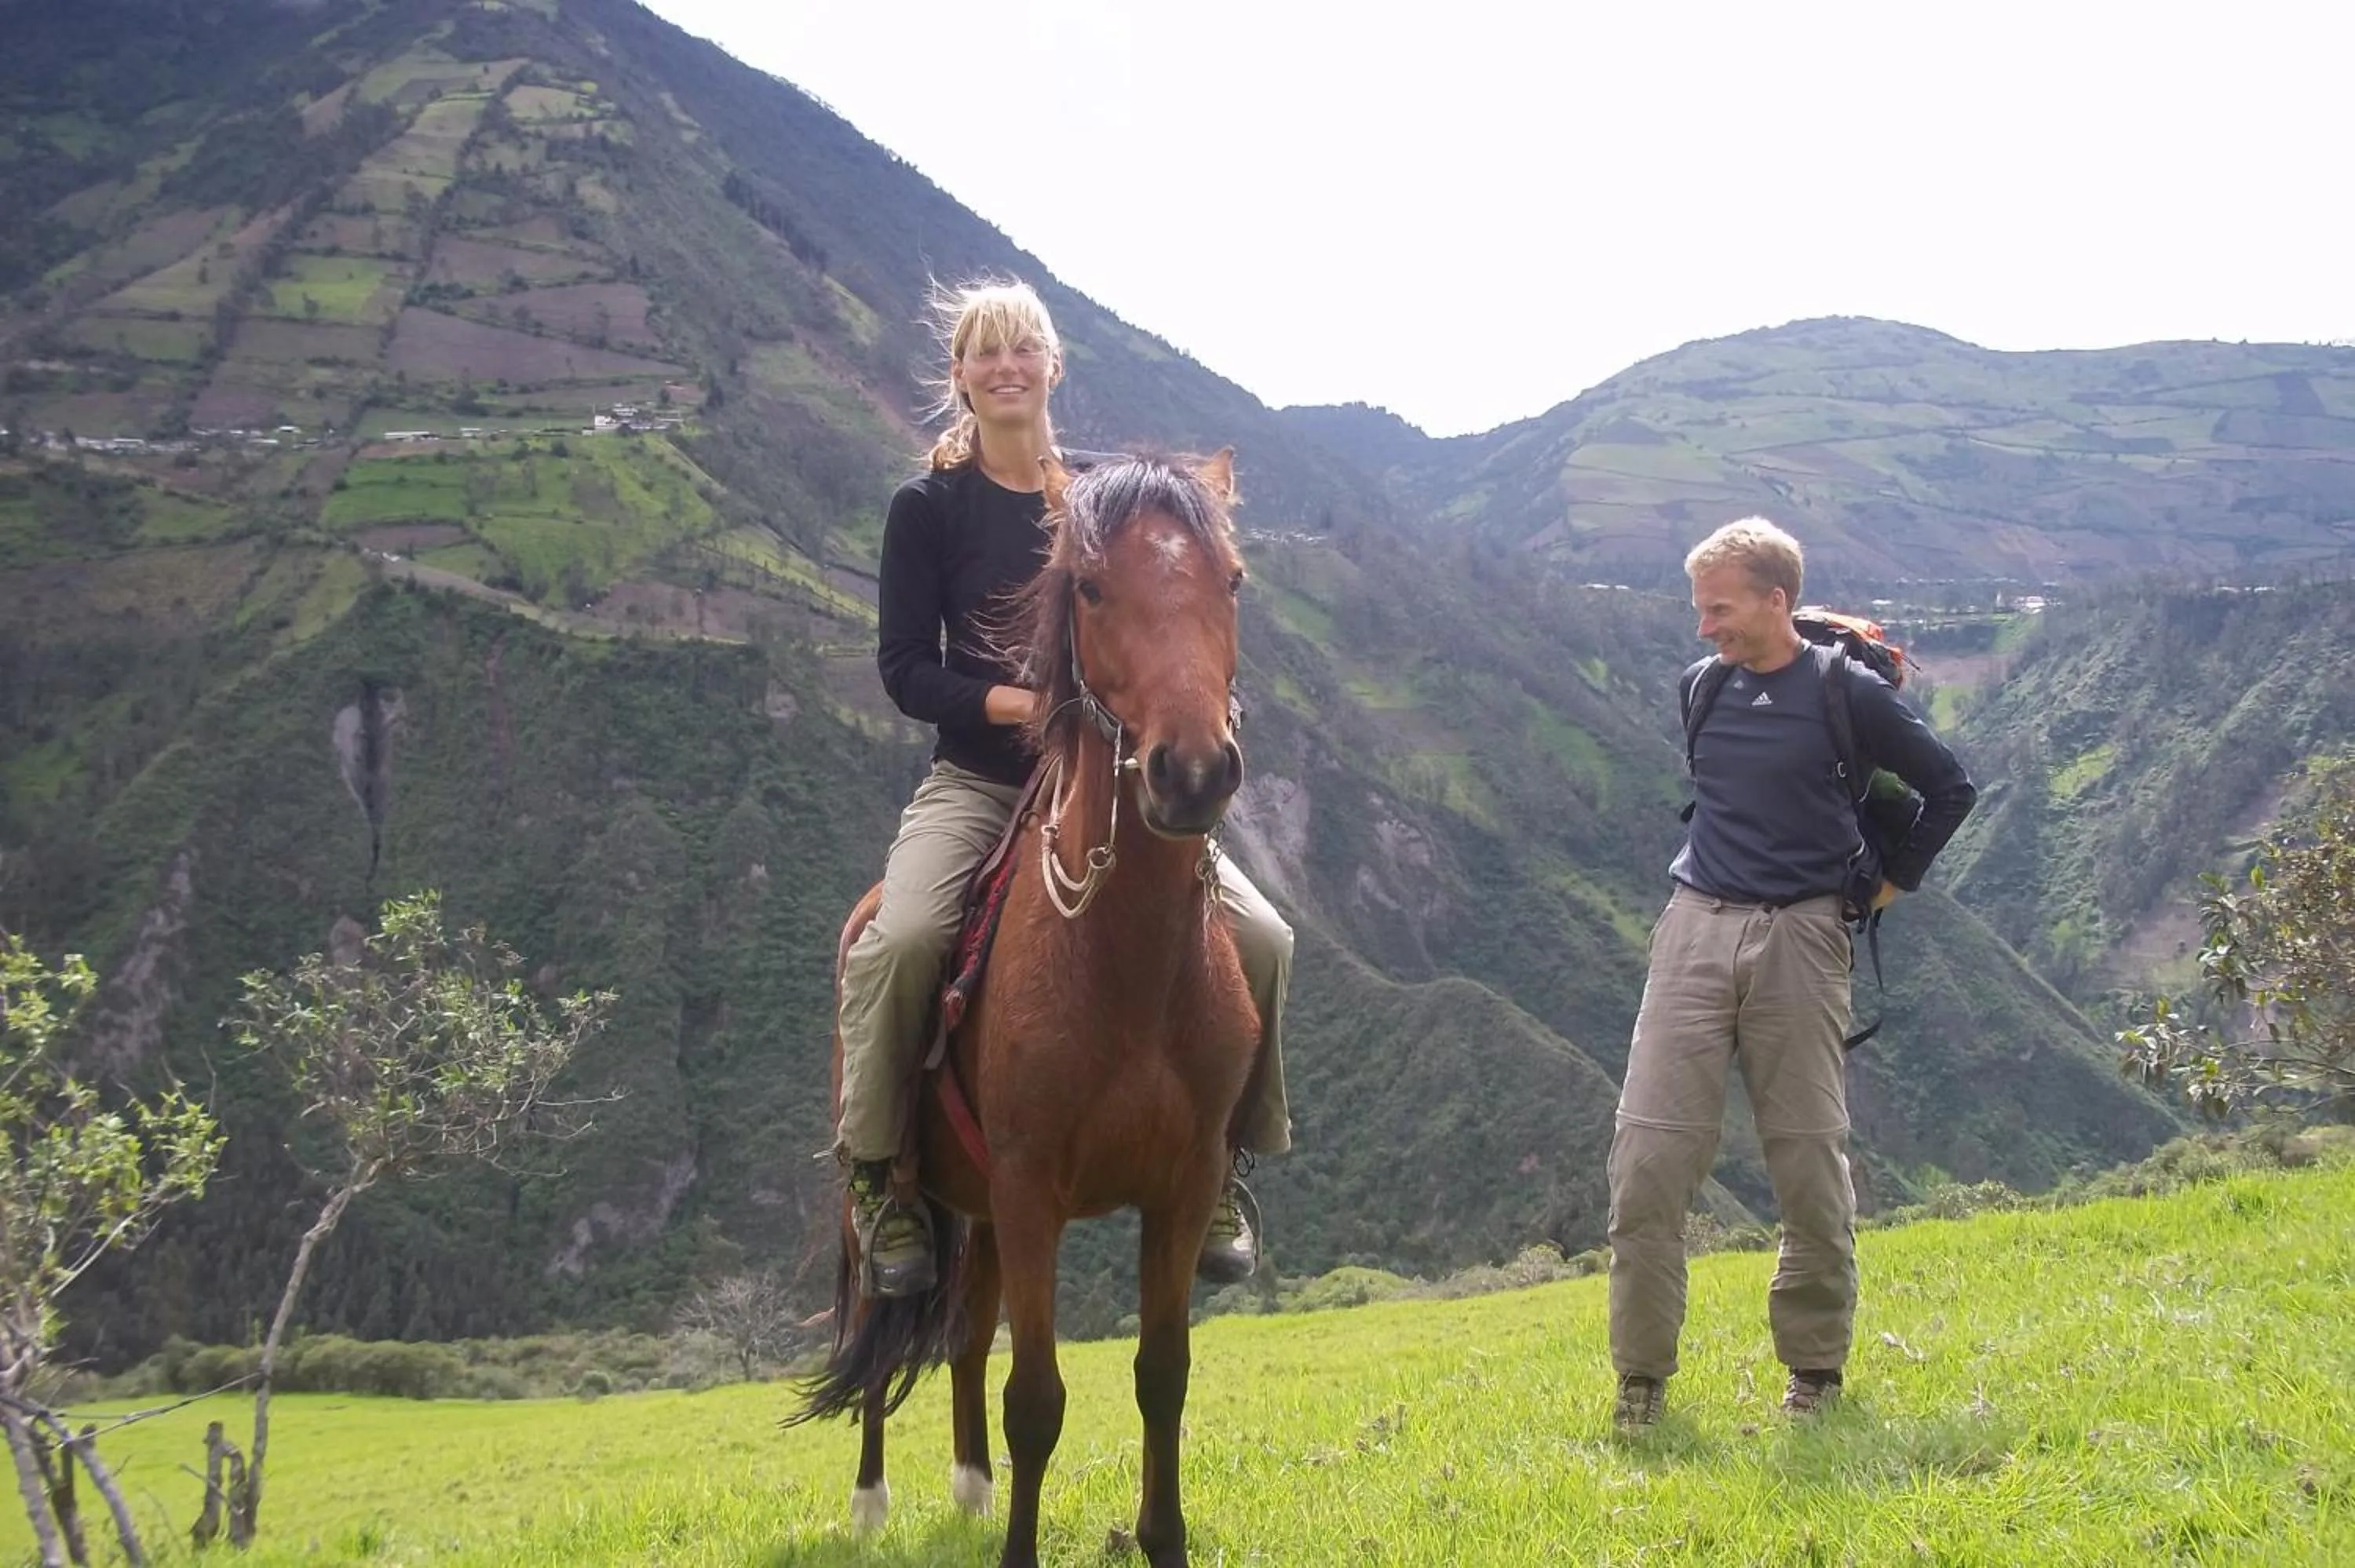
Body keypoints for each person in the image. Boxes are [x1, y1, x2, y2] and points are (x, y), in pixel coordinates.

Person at [834, 277, 1294, 1298]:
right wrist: (1023, 702)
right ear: (958, 377)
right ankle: (883, 1175)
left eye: (1023, 349)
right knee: (900, 939)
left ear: (1053, 364)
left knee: (1265, 939)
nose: (1006, 368)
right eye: (983, 354)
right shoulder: (928, 509)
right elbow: (907, 669)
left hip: (1105, 787)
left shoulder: (1100, 499)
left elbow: (1164, 608)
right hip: (982, 785)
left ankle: (1227, 1164)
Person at [1608, 516, 1977, 1431]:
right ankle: (1641, 1383)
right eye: (1700, 611)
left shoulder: (1847, 695)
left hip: (1804, 938)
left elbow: (1950, 787)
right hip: (1693, 928)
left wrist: (1884, 887)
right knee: (1649, 1161)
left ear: (1778, 602)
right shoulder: (1702, 689)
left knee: (1807, 1160)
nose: (1705, 629)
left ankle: (1814, 1372)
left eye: (1720, 610)